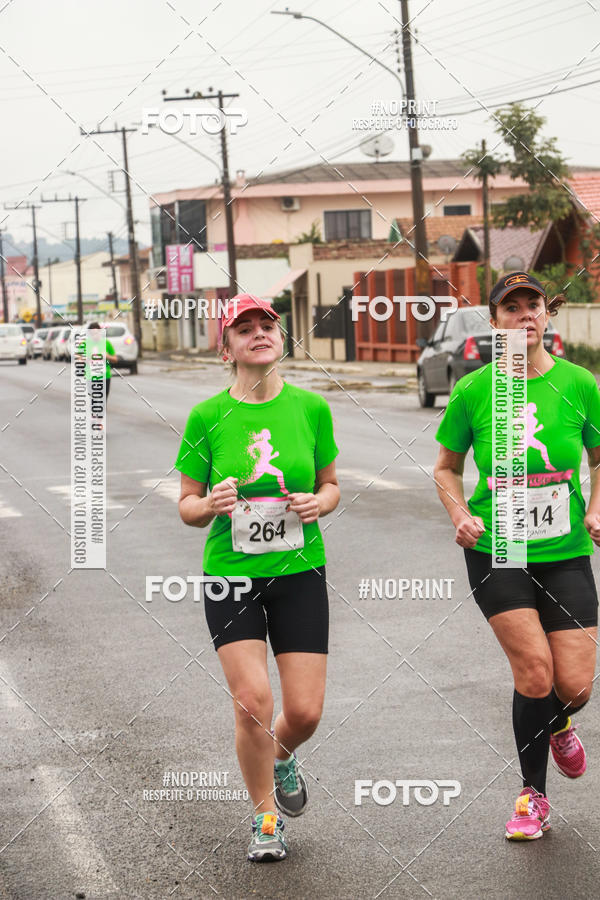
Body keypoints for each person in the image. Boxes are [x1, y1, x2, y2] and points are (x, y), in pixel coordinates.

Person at [433, 272, 600, 841]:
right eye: (511, 307)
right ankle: (532, 795)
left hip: (566, 551)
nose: (524, 315)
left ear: (546, 316)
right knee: (534, 672)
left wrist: (597, 507)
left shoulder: (580, 384)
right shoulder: (474, 390)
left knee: (574, 684)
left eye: (533, 305)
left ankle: (560, 722)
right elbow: (446, 467)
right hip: (498, 548)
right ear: (496, 320)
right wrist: (459, 513)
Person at [175, 294, 340, 861]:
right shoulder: (206, 417)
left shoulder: (311, 409)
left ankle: (281, 753)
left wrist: (319, 502)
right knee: (251, 701)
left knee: (306, 712)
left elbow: (331, 486)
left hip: (299, 570)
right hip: (231, 576)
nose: (258, 334)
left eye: (266, 324)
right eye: (243, 329)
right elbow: (186, 506)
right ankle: (266, 817)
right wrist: (211, 502)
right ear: (227, 349)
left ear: (281, 337)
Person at [75, 322, 118, 417]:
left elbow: (115, 359)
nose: (95, 335)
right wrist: (86, 358)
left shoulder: (106, 343)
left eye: (97, 332)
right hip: (91, 377)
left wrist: (107, 356)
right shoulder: (85, 344)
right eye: (93, 333)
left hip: (105, 376)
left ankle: (99, 421)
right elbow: (78, 358)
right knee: (95, 400)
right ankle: (95, 419)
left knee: (103, 401)